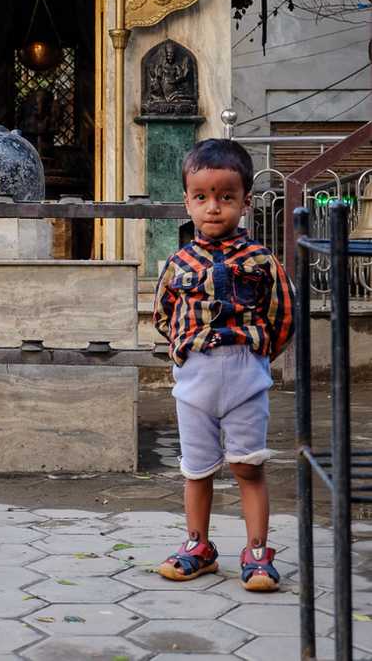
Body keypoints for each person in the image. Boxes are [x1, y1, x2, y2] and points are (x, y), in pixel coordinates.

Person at [153, 138, 294, 592]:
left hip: (244, 377)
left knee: (248, 466)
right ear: (188, 202)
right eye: (202, 197)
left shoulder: (261, 260)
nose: (214, 208)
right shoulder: (178, 263)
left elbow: (283, 314)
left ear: (246, 202)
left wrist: (255, 354)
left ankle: (256, 553)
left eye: (226, 197)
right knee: (196, 469)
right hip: (193, 379)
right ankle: (199, 546)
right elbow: (163, 312)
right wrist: (184, 347)